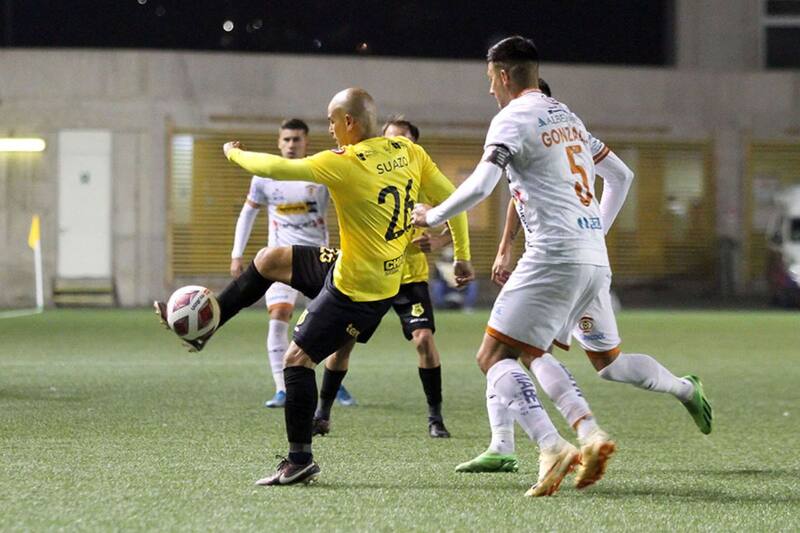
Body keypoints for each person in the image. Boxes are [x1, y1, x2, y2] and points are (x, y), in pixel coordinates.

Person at [160, 87, 474, 486]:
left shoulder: (344, 163)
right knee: (269, 259)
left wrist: (231, 153)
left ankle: (299, 459)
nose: (328, 130)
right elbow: (456, 200)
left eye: (331, 121)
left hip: (358, 292)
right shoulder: (408, 151)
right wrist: (462, 255)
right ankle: (209, 324)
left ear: (350, 123)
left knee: (296, 360)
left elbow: (275, 169)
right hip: (353, 267)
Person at [457, 78, 712, 473]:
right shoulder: (553, 139)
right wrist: (507, 245)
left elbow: (618, 178)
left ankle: (563, 437)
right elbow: (519, 196)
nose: (496, 97)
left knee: (511, 349)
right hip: (585, 259)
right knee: (608, 364)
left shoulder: (531, 128)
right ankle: (684, 388)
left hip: (558, 261)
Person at [412, 36, 615, 497]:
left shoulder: (512, 117)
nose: (489, 91)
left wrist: (434, 214)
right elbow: (619, 175)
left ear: (503, 76)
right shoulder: (568, 115)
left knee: (492, 357)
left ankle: (551, 446)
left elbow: (484, 183)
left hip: (552, 256)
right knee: (532, 353)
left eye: (489, 80)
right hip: (593, 257)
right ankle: (590, 433)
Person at [310, 117, 471, 439]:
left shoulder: (423, 176)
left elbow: (457, 213)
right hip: (369, 275)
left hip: (409, 276)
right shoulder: (367, 170)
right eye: (390, 139)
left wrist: (439, 241)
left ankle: (435, 417)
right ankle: (322, 413)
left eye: (404, 141)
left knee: (424, 340)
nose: (395, 146)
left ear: (415, 146)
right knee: (343, 344)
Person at [228, 118, 354, 409]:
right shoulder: (264, 177)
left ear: (306, 142)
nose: (291, 144)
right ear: (278, 142)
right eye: (286, 139)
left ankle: (336, 383)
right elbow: (248, 214)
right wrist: (237, 254)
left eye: (297, 139)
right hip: (279, 259)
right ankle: (282, 387)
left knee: (334, 325)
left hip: (317, 260)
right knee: (278, 317)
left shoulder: (319, 171)